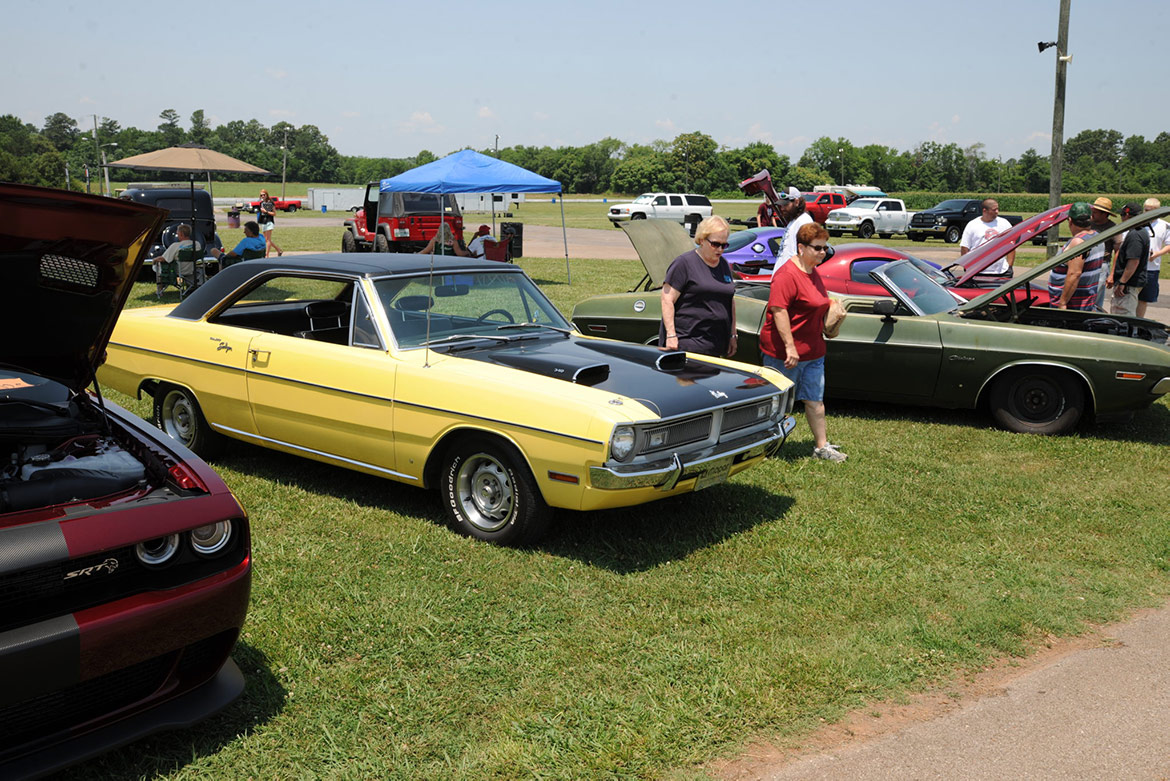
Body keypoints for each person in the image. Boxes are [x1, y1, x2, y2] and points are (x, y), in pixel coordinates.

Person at [759, 221, 846, 462]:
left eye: (825, 248)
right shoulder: (786, 275)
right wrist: (789, 347)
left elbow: (817, 303)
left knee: (815, 401)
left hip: (813, 351)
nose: (822, 253)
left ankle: (821, 446)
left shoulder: (813, 272)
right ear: (801, 247)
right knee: (778, 403)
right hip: (783, 353)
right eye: (817, 248)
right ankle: (765, 446)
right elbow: (778, 311)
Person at [658, 215, 738, 358]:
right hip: (688, 344)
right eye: (715, 244)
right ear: (701, 240)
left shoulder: (724, 265)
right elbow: (667, 299)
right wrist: (671, 336)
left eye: (724, 245)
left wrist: (732, 335)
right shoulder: (684, 264)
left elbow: (729, 301)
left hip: (716, 345)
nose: (720, 249)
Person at [1047, 203, 1105, 310]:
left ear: (1070, 221)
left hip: (1072, 306)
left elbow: (1074, 274)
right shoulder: (1097, 236)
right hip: (1085, 302)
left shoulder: (1078, 242)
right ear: (1091, 218)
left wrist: (1062, 303)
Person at [1108, 202, 1149, 317]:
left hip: (1128, 285)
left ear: (1127, 216)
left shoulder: (1135, 235)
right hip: (1130, 283)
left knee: (1123, 315)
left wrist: (1122, 282)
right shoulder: (1139, 231)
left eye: (1122, 215)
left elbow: (1133, 261)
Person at [960, 198, 1015, 277]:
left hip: (1001, 271)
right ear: (984, 210)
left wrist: (1010, 266)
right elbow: (965, 247)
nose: (997, 212)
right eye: (994, 210)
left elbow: (1011, 245)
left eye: (997, 209)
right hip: (977, 271)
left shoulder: (1004, 223)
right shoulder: (972, 225)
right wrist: (967, 266)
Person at [149, 223, 202, 296]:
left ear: (181, 234)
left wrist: (154, 260)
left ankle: (160, 290)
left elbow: (163, 259)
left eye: (177, 233)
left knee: (158, 266)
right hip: (193, 270)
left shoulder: (175, 246)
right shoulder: (197, 244)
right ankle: (189, 287)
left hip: (178, 270)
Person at [1139, 197, 1167, 319]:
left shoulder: (1164, 226)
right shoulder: (1137, 223)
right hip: (1136, 266)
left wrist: (1157, 253)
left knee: (1144, 299)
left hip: (1152, 268)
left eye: (1152, 210)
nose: (1148, 213)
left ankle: (1138, 322)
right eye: (1146, 210)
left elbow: (1169, 244)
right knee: (1130, 297)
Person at [1089, 196, 1118, 310]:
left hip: (1102, 265)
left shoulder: (1113, 228)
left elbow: (1118, 250)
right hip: (1086, 262)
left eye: (1095, 212)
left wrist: (1111, 274)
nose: (1092, 214)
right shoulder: (1089, 224)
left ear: (1104, 214)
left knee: (1094, 297)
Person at [773, 187, 812, 270]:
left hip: (791, 277)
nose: (782, 208)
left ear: (797, 202)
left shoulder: (804, 222)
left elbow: (807, 256)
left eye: (786, 205)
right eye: (781, 205)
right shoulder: (793, 221)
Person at [257, 189, 283, 257]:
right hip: (263, 221)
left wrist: (266, 211)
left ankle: (267, 255)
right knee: (266, 240)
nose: (262, 196)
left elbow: (274, 213)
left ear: (267, 194)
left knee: (268, 240)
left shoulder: (270, 202)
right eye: (261, 195)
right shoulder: (261, 203)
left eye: (264, 195)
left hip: (269, 221)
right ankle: (278, 250)